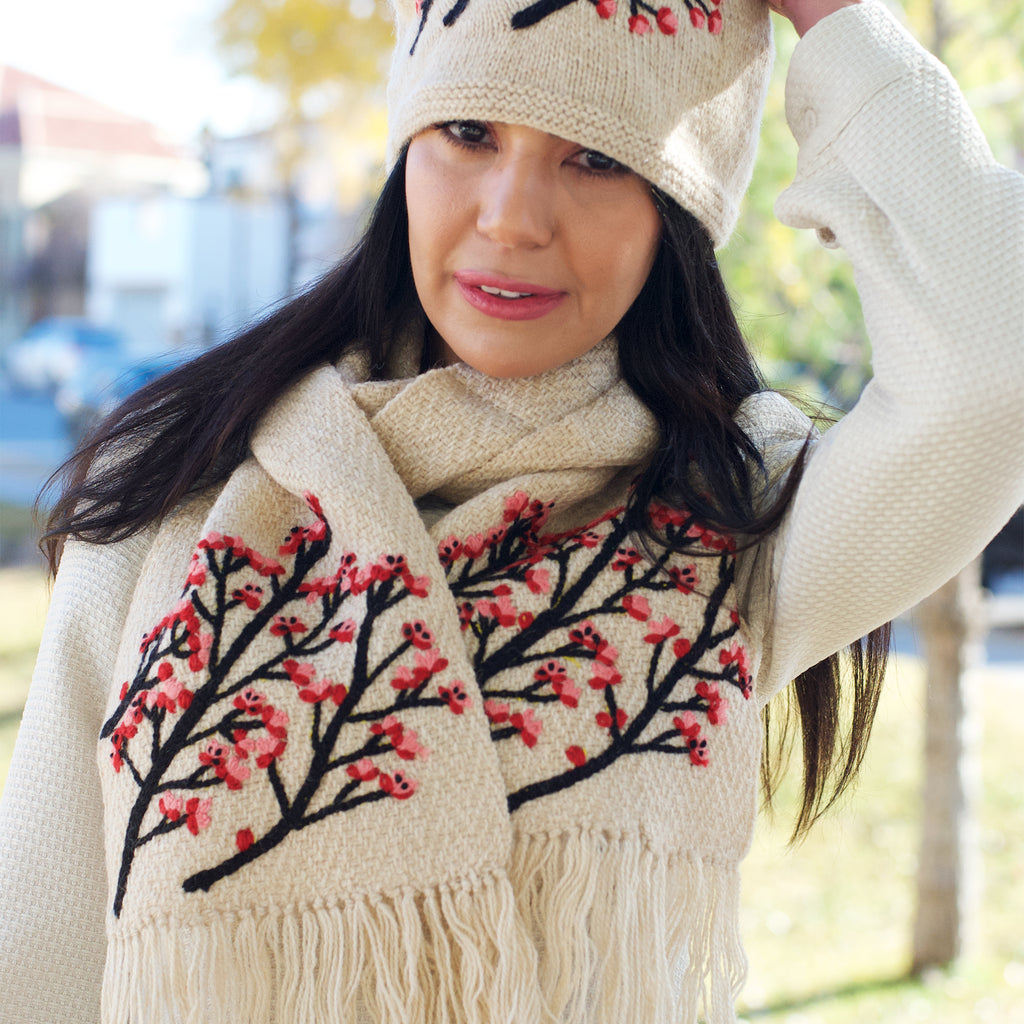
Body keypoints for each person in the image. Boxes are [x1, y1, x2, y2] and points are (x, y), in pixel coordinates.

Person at [1, 0, 1021, 1021]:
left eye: (595, 159)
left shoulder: (738, 520)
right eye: (469, 133)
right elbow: (38, 948)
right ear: (407, 148)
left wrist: (834, 17)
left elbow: (997, 370)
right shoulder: (180, 479)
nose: (511, 216)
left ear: (678, 207)